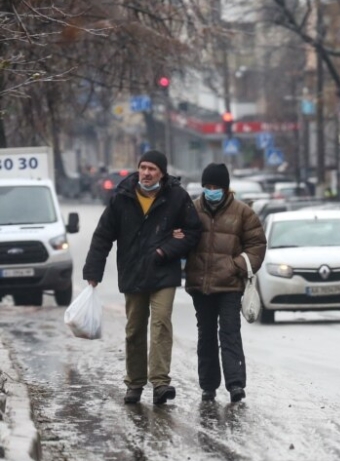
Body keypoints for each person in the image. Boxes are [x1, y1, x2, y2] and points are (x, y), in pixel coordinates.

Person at [83, 150, 202, 405]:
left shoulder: (176, 197)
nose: (147, 173)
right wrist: (93, 272)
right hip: (133, 271)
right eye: (143, 167)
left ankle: (160, 383)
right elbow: (103, 236)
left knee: (161, 323)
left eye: (152, 169)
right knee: (134, 328)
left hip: (164, 271)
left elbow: (193, 232)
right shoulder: (122, 197)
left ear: (162, 173)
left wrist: (165, 249)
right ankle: (135, 383)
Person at [180, 163, 266, 403]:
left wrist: (234, 266)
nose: (211, 190)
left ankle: (236, 384)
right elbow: (182, 239)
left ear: (226, 188)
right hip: (200, 285)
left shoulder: (243, 212)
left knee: (230, 333)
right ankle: (208, 385)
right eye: (207, 186)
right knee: (205, 335)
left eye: (216, 186)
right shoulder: (192, 209)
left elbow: (257, 246)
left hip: (230, 286)